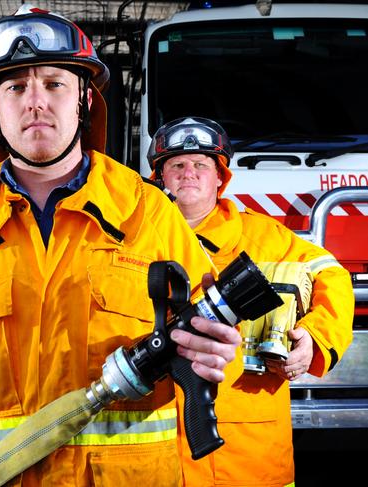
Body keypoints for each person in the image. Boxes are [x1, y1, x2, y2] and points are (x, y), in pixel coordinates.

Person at [0, 6, 240, 487]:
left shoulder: (149, 214)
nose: (35, 102)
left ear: (85, 97)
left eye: (54, 84)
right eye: (16, 87)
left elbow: (210, 342)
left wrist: (215, 357)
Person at [148, 116, 354, 487]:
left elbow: (332, 277)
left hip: (250, 456)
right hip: (158, 457)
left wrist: (315, 338)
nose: (188, 173)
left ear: (220, 178)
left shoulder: (266, 237)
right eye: (176, 165)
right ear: (159, 178)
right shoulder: (131, 240)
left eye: (201, 165)